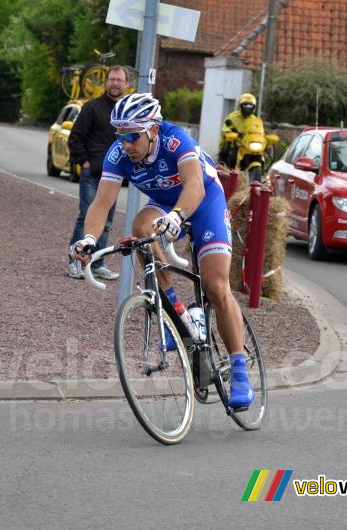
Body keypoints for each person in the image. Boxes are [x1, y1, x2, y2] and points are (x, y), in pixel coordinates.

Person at [70, 93, 254, 409]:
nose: (125, 144)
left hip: (203, 200)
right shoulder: (120, 154)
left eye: (132, 136)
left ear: (152, 129)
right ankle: (177, 312)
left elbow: (194, 185)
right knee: (141, 229)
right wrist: (88, 239)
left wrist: (178, 217)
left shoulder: (174, 140)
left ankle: (239, 371)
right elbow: (101, 203)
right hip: (165, 206)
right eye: (120, 136)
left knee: (215, 286)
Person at [65, 66, 130, 280]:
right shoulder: (92, 108)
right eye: (112, 79)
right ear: (106, 82)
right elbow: (75, 137)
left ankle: (96, 263)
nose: (115, 83)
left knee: (107, 221)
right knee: (87, 217)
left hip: (114, 176)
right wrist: (84, 162)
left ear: (126, 84)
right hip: (92, 173)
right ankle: (75, 261)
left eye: (119, 80)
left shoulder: (127, 112)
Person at [218, 92, 258, 168]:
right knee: (228, 154)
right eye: (245, 105)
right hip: (233, 144)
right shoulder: (232, 116)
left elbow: (258, 131)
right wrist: (231, 133)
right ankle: (222, 170)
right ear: (240, 106)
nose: (247, 108)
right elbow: (226, 128)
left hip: (247, 145)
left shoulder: (254, 119)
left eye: (250, 106)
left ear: (254, 107)